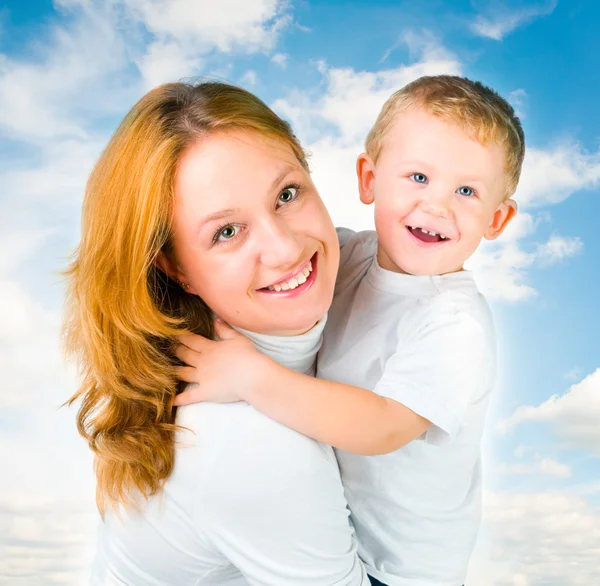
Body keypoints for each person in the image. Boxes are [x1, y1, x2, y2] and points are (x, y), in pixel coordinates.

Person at [173, 75, 526, 586]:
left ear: (496, 219)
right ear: (369, 179)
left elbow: (381, 427)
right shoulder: (348, 254)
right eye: (418, 178)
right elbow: (263, 279)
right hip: (333, 530)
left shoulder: (455, 325)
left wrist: (250, 378)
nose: (437, 206)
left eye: (467, 191)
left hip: (403, 572)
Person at [62, 81, 369, 585]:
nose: (284, 249)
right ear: (174, 267)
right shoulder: (249, 446)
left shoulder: (358, 282)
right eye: (226, 232)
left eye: (286, 195)